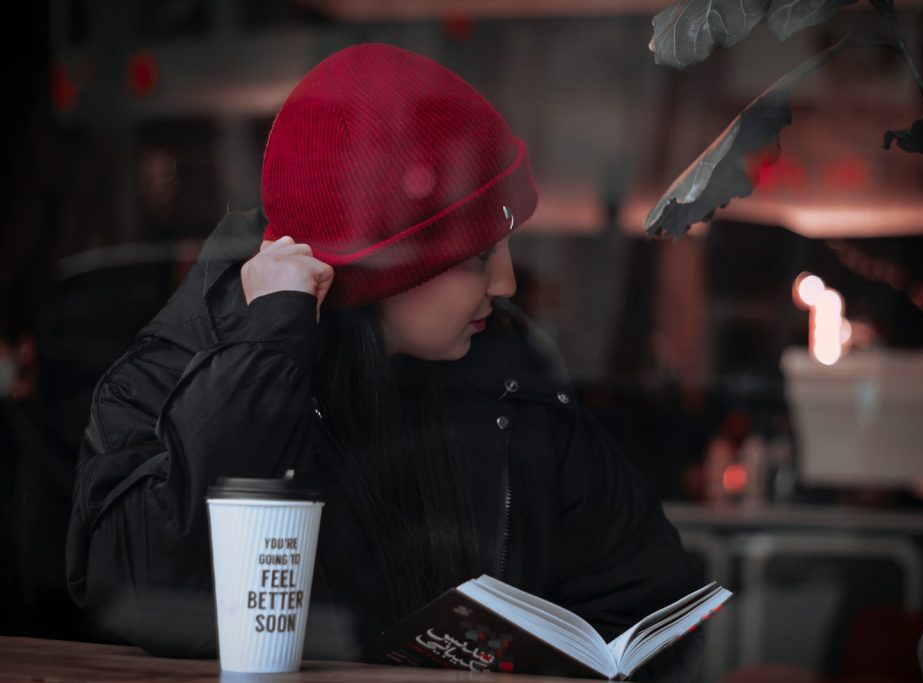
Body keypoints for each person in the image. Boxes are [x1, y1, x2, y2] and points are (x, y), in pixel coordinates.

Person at [66, 43, 701, 679]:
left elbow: (646, 594)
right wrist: (264, 354)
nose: (507, 282)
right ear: (378, 266)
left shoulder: (509, 377)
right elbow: (140, 594)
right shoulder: (177, 375)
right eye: (478, 254)